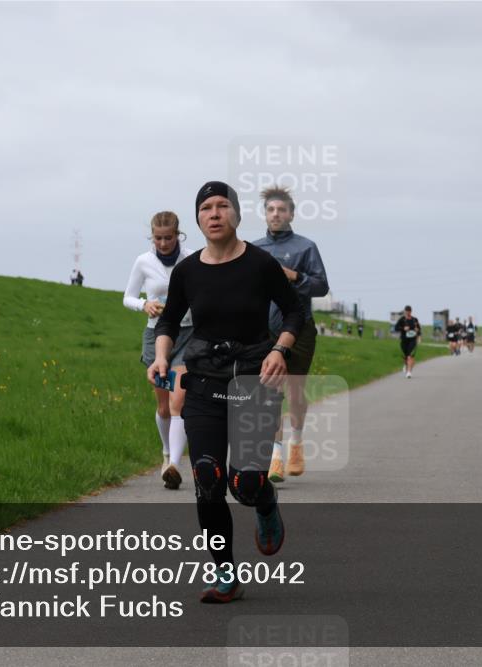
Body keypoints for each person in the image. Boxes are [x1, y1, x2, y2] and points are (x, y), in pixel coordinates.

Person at [151, 181, 303, 603]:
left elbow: (294, 311)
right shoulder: (187, 272)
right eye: (206, 208)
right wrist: (162, 357)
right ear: (197, 219)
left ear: (236, 214)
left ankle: (265, 502)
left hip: (255, 378)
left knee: (246, 481)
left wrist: (280, 350)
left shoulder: (260, 264)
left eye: (222, 206)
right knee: (207, 476)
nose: (214, 214)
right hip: (203, 381)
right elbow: (168, 322)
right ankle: (225, 576)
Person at [253, 186, 331, 483]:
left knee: (295, 393)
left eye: (281, 210)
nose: (276, 214)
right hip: (265, 330)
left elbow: (321, 286)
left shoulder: (306, 247)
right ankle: (275, 457)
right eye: (271, 210)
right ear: (265, 213)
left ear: (291, 214)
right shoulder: (254, 248)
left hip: (300, 329)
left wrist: (293, 275)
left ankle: (296, 442)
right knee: (271, 394)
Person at [123, 212, 194, 490]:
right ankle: (166, 454)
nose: (163, 243)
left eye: (169, 237)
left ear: (179, 235)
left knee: (179, 402)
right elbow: (127, 296)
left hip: (188, 333)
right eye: (158, 238)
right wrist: (144, 305)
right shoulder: (144, 261)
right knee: (163, 406)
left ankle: (175, 464)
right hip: (156, 335)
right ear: (152, 237)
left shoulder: (191, 259)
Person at [394, 305, 422, 378]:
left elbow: (419, 329)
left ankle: (409, 372)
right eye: (406, 311)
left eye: (409, 311)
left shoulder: (414, 320)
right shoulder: (402, 319)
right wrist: (403, 328)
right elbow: (396, 328)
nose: (407, 313)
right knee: (406, 357)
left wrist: (419, 336)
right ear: (404, 311)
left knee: (410, 356)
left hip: (413, 340)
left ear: (411, 311)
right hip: (404, 340)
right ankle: (406, 366)